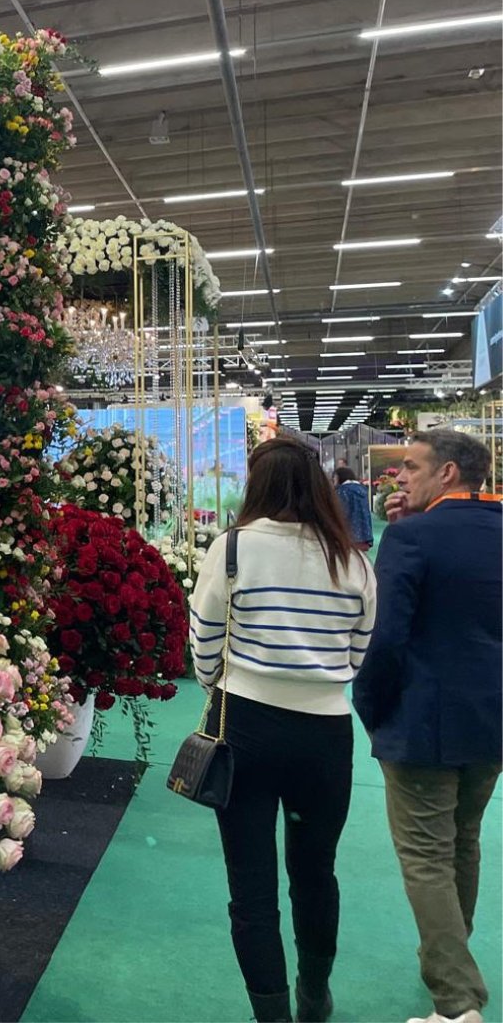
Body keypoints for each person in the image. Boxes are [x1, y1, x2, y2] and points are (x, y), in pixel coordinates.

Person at [189, 438, 377, 1023]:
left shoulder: (233, 547)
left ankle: (269, 1013)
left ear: (255, 484)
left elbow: (203, 642)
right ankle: (314, 996)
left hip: (245, 725)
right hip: (326, 733)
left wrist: (225, 683)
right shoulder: (352, 559)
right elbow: (359, 649)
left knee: (250, 885)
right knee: (315, 871)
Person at [353, 431, 502, 1023]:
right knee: (462, 841)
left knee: (425, 855)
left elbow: (385, 638)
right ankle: (449, 959)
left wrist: (370, 705)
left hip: (422, 721)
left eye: (411, 468)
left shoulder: (410, 537)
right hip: (491, 717)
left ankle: (458, 1002)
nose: (399, 478)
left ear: (446, 474)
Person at [334, 466, 373, 551]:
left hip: (349, 535)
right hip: (364, 534)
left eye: (335, 477)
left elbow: (342, 512)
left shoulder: (342, 491)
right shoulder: (362, 489)